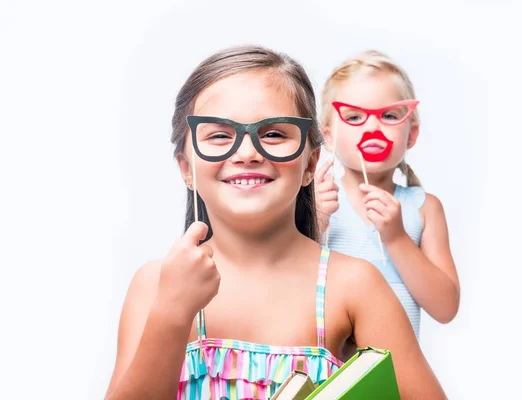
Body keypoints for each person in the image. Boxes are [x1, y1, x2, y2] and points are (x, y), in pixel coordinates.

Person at [105, 45, 447, 400]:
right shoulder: (154, 286)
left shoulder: (354, 285)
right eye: (219, 135)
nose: (248, 153)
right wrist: (171, 314)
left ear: (311, 165)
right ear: (186, 168)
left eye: (273, 134)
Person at [316, 50, 460, 340]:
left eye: (389, 116)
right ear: (328, 136)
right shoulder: (315, 201)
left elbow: (445, 308)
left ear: (412, 134)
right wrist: (315, 221)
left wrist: (396, 238)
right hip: (329, 378)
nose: (372, 127)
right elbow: (284, 284)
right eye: (354, 116)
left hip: (398, 378)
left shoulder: (424, 208)